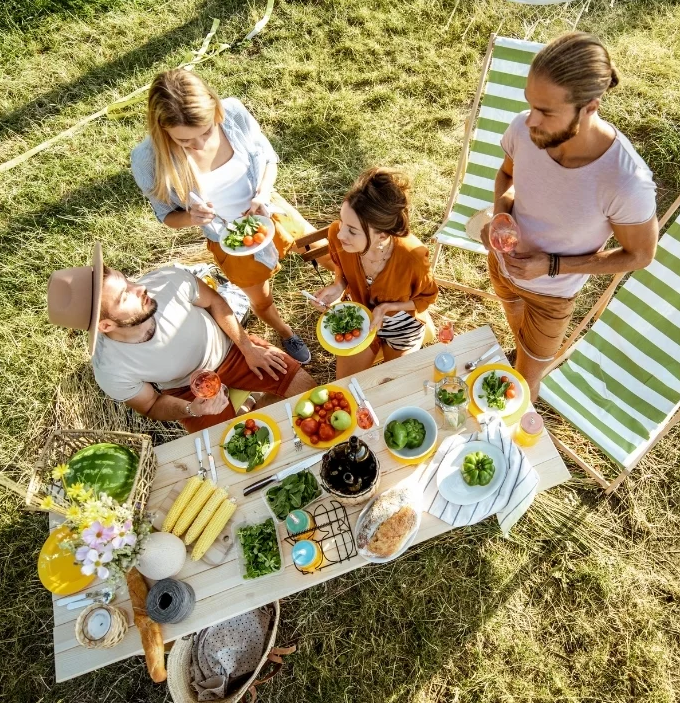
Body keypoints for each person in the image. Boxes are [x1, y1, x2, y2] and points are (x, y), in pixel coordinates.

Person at [480, 32, 658, 400]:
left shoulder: (625, 182)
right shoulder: (524, 129)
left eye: (546, 111)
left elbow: (640, 255)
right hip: (501, 265)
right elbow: (507, 176)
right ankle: (522, 348)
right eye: (530, 104)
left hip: (553, 296)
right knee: (514, 319)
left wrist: (551, 265)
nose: (530, 121)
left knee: (524, 384)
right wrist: (500, 216)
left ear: (590, 106)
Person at [130, 68, 327, 364]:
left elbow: (268, 158)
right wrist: (191, 218)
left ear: (215, 107)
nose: (199, 145)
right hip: (231, 242)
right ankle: (286, 332)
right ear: (162, 129)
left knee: (327, 254)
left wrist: (262, 193)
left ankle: (350, 297)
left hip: (269, 211)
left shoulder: (233, 112)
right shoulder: (147, 159)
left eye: (206, 131)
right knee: (261, 299)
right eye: (185, 141)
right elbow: (166, 216)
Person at [47, 243, 316, 432]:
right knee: (225, 452)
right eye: (124, 296)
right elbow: (151, 405)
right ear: (105, 325)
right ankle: (248, 406)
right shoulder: (110, 369)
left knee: (309, 392)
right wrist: (193, 410)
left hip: (231, 351)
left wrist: (247, 347)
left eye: (126, 280)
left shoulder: (168, 281)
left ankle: (251, 404)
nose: (139, 287)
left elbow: (216, 304)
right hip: (185, 391)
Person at [312, 169, 439, 378]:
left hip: (400, 323)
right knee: (344, 384)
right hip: (358, 318)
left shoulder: (413, 257)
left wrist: (389, 307)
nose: (340, 233)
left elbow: (427, 298)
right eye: (342, 221)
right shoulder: (337, 233)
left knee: (393, 384)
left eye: (352, 230)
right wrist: (338, 285)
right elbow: (341, 266)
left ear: (382, 235)